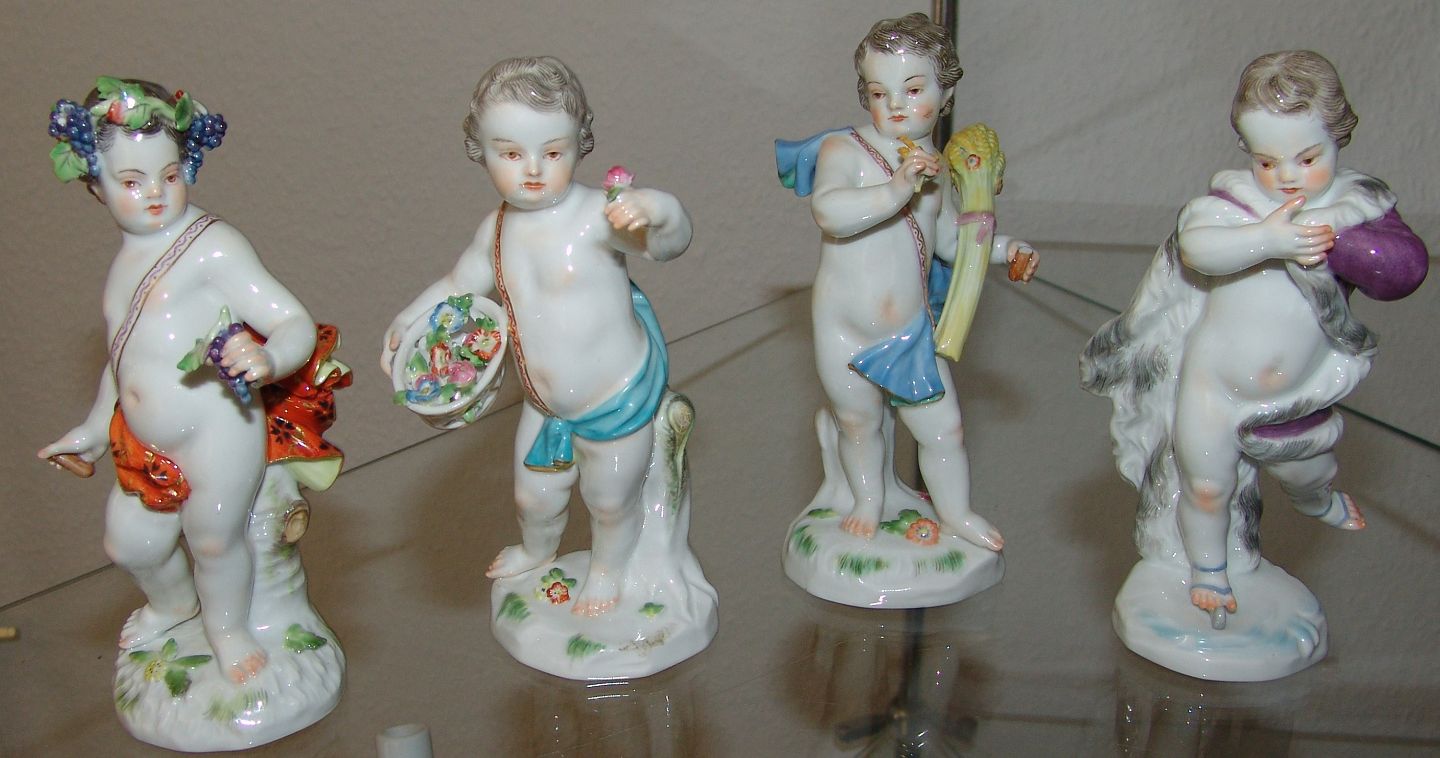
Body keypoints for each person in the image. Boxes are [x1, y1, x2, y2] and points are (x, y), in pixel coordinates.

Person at [1082, 51, 1427, 624]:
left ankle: (1315, 498)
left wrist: (1334, 240)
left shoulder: (1356, 207)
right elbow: (1198, 248)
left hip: (1294, 395)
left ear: (1338, 138)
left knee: (1307, 470)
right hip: (1212, 385)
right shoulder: (1235, 205)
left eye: (1307, 158)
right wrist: (1269, 239)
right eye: (1268, 161)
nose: (1287, 176)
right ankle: (1209, 572)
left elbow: (1403, 271)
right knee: (1206, 486)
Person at [39, 78, 346, 683]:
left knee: (212, 540)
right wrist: (95, 428)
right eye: (132, 181)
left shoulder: (212, 246)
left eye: (170, 174)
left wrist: (269, 359)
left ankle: (228, 629)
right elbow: (125, 359)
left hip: (218, 427)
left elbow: (293, 322)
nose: (155, 193)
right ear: (95, 186)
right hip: (144, 440)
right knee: (129, 545)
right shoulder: (124, 265)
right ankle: (175, 605)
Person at [382, 57, 693, 617]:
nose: (532, 169)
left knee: (609, 501)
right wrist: (409, 320)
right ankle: (537, 549)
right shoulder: (497, 230)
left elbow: (667, 245)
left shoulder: (598, 216)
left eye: (552, 152)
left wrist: (657, 211)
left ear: (579, 144)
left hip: (615, 397)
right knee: (533, 496)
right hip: (544, 403)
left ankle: (608, 570)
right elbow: (458, 286)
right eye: (510, 153)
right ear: (480, 149)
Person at [780, 13, 1037, 550]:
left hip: (907, 330)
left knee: (944, 428)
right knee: (858, 422)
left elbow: (950, 242)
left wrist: (1006, 249)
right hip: (844, 327)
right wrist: (898, 188)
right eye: (880, 93)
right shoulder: (844, 151)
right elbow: (830, 212)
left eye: (913, 90)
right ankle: (867, 499)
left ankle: (956, 512)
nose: (895, 105)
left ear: (945, 95)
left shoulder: (934, 167)